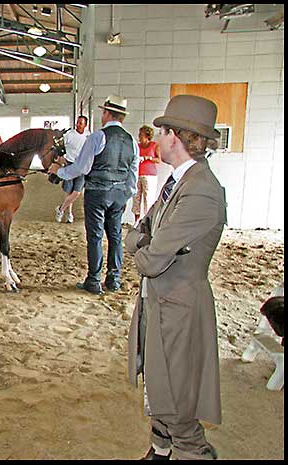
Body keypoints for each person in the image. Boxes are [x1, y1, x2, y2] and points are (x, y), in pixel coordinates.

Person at [124, 95, 226, 460]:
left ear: (175, 136)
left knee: (179, 397)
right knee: (159, 385)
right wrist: (146, 242)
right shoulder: (178, 182)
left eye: (163, 130)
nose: (158, 137)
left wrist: (145, 244)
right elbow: (137, 233)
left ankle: (192, 453)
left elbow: (148, 260)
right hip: (160, 301)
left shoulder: (201, 191)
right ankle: (160, 449)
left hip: (180, 307)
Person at [51, 95, 139, 294]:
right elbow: (133, 172)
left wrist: (59, 172)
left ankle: (94, 280)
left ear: (107, 113)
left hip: (97, 193)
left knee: (95, 236)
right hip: (119, 193)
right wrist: (127, 194)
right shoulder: (131, 140)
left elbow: (82, 167)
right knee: (115, 236)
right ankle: (114, 279)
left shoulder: (98, 137)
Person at [50, 115, 90, 224]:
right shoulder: (69, 135)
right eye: (77, 122)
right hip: (70, 164)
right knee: (69, 191)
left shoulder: (88, 135)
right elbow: (60, 147)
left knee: (77, 192)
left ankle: (61, 209)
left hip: (81, 166)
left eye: (80, 123)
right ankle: (69, 214)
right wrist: (61, 158)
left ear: (85, 125)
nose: (78, 125)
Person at [132, 125, 161, 223]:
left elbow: (159, 160)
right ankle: (136, 221)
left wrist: (147, 158)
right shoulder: (137, 146)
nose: (139, 136)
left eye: (141, 134)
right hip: (138, 174)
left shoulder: (154, 145)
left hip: (150, 175)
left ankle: (147, 222)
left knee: (148, 199)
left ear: (147, 136)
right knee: (136, 198)